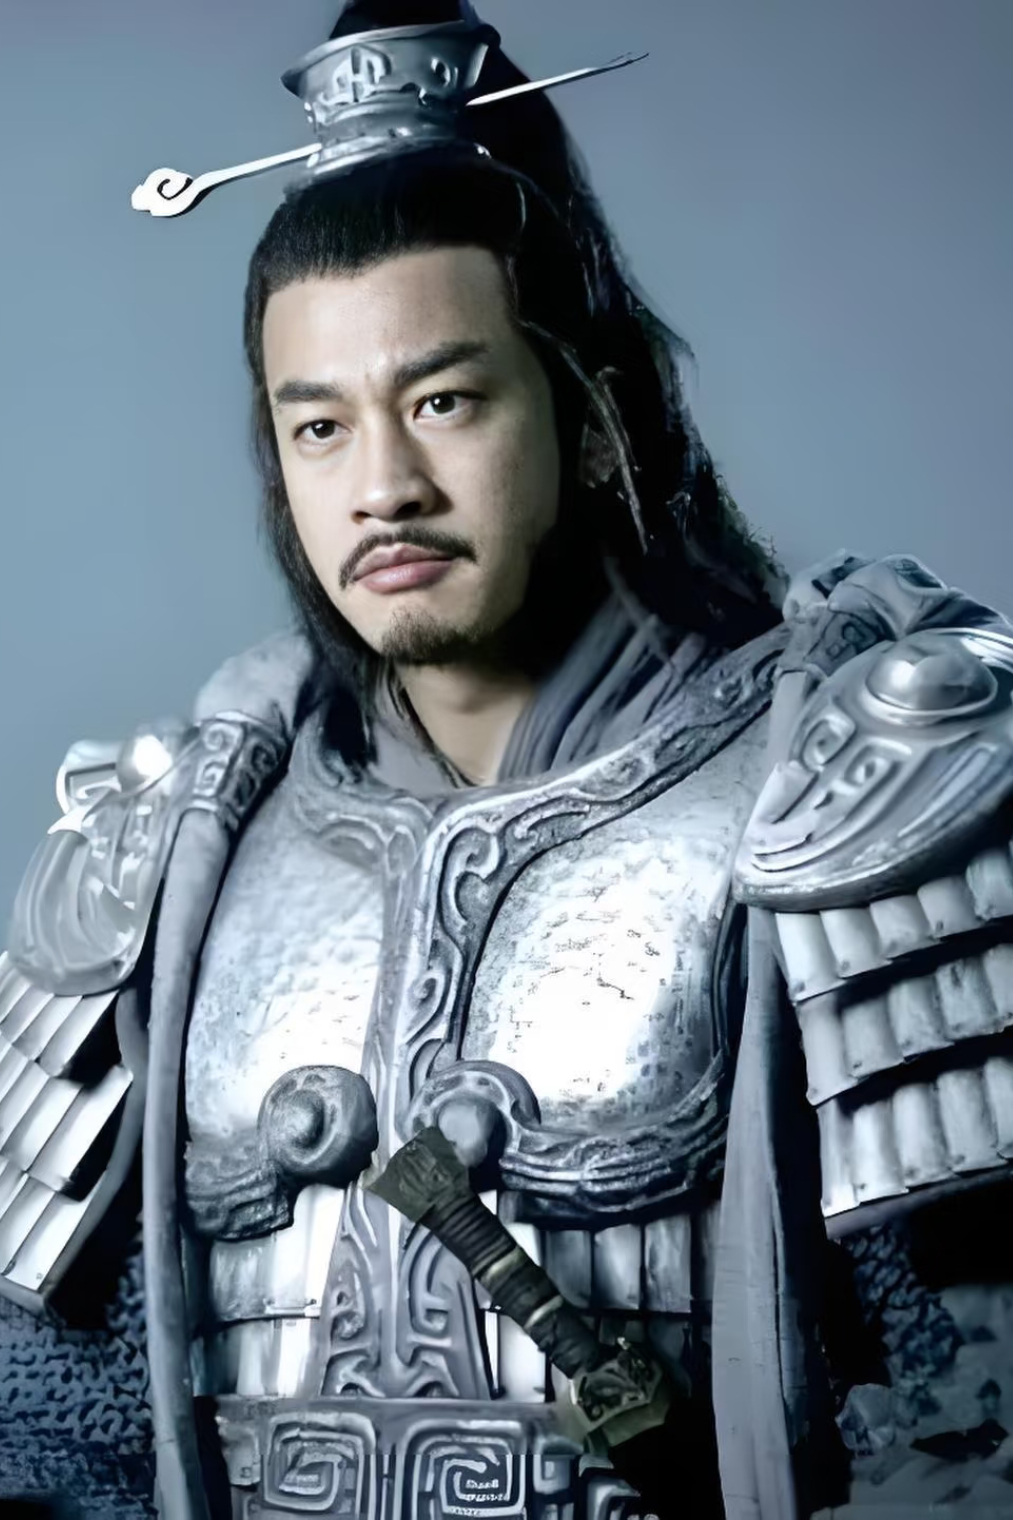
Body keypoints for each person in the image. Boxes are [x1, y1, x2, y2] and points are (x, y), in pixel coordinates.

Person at [3, 4, 1013, 1518]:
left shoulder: (855, 792)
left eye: (444, 401)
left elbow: (977, 1421)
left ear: (590, 416)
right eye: (320, 428)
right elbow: (44, 1431)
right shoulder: (179, 854)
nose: (384, 488)